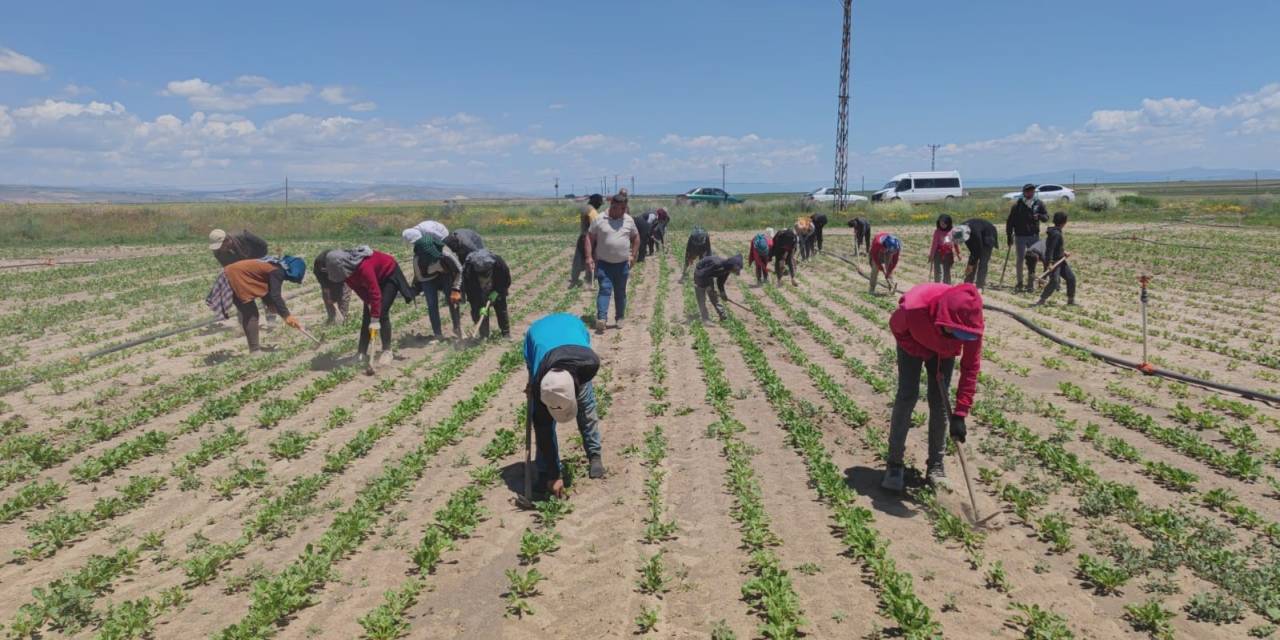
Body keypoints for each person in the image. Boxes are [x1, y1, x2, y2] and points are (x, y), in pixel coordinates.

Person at [881, 282, 984, 492]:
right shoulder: (913, 310)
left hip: (943, 352)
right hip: (913, 341)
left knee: (940, 403)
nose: (960, 339)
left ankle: (936, 466)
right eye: (955, 333)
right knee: (907, 395)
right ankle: (894, 463)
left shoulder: (972, 324)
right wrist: (922, 351)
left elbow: (970, 367)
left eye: (963, 336)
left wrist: (961, 413)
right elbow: (896, 328)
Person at [524, 312, 606, 499]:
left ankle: (595, 456)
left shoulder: (589, 364)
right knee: (542, 423)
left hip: (573, 333)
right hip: (537, 338)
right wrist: (554, 475)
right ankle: (545, 470)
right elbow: (543, 428)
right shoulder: (540, 388)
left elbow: (584, 401)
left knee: (587, 409)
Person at [326, 247, 415, 368]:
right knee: (367, 316)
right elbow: (359, 289)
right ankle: (361, 353)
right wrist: (368, 303)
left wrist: (375, 317)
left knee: (382, 313)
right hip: (375, 279)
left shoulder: (364, 267)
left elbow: (375, 292)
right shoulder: (346, 273)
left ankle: (387, 351)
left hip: (388, 274)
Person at [584, 189, 639, 333]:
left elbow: (636, 237)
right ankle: (601, 319)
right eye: (616, 208)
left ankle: (620, 318)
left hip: (622, 265)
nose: (619, 211)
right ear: (612, 205)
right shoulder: (600, 219)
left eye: (622, 209)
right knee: (605, 290)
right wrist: (589, 257)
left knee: (620, 292)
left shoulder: (628, 220)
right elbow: (589, 238)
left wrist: (633, 255)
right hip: (604, 264)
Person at [223, 258, 302, 352]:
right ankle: (254, 350)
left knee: (250, 312)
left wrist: (270, 304)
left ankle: (254, 349)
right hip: (235, 276)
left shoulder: (274, 266)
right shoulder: (277, 271)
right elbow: (275, 295)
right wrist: (287, 316)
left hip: (235, 274)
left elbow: (263, 286)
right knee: (251, 313)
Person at [207, 229, 272, 322]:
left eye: (221, 246)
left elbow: (263, 246)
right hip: (241, 270)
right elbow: (228, 267)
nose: (220, 249)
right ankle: (244, 323)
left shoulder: (245, 236)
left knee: (266, 292)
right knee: (242, 297)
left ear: (227, 240)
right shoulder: (218, 252)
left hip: (258, 262)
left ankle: (271, 319)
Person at [413, 234, 464, 340]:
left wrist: (456, 289)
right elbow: (421, 277)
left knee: (452, 300)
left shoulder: (446, 253)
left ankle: (458, 328)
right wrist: (434, 271)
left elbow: (459, 271)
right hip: (428, 278)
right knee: (432, 304)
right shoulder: (417, 259)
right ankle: (438, 334)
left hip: (446, 275)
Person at [1006, 184, 1048, 293]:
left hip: (1034, 236)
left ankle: (1030, 283)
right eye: (1028, 191)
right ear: (1024, 192)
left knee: (1033, 259)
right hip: (1020, 236)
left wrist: (1039, 216)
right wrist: (1009, 236)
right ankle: (1019, 282)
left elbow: (1046, 217)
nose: (1030, 193)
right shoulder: (1017, 205)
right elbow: (1010, 222)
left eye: (1032, 191)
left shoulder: (1038, 203)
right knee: (1020, 260)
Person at [461, 248, 511, 338]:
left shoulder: (499, 264)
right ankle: (484, 335)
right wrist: (480, 304)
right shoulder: (469, 269)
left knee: (501, 309)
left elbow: (506, 280)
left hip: (496, 287)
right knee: (479, 312)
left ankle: (506, 333)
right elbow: (471, 290)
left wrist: (497, 292)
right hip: (478, 291)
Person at [1034, 212, 1076, 307]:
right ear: (1064, 222)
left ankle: (1071, 300)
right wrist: (1049, 263)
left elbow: (1056, 247)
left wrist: (1063, 252)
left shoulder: (1055, 232)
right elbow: (1050, 249)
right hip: (1054, 262)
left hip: (1061, 260)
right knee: (1054, 281)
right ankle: (1042, 300)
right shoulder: (1056, 234)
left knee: (1071, 278)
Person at [693, 254, 744, 322]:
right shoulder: (716, 264)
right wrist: (707, 286)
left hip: (708, 274)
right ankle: (705, 318)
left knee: (713, 296)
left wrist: (722, 293)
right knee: (701, 297)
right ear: (731, 266)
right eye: (736, 270)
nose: (737, 273)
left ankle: (722, 314)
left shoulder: (727, 270)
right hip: (700, 272)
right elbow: (702, 274)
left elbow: (720, 282)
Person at [570, 194, 603, 288]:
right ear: (596, 202)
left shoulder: (585, 208)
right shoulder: (592, 211)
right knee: (591, 258)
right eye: (600, 203)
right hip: (589, 238)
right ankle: (589, 281)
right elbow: (596, 226)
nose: (600, 205)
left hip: (582, 236)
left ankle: (574, 279)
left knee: (578, 259)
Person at [955, 218, 998, 289]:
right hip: (979, 232)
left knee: (983, 262)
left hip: (988, 234)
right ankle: (968, 283)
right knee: (972, 259)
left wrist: (971, 265)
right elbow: (972, 250)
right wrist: (959, 253)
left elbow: (978, 249)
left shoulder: (974, 233)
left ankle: (980, 285)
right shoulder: (960, 230)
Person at [313, 250, 350, 325]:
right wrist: (327, 292)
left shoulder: (341, 261)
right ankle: (331, 318)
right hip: (326, 278)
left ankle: (343, 318)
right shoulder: (320, 261)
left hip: (342, 278)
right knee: (327, 298)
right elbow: (319, 275)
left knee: (343, 296)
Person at [928, 214, 963, 284]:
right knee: (938, 271)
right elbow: (934, 244)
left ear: (948, 223)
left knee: (947, 271)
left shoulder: (953, 231)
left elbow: (956, 243)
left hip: (948, 254)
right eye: (941, 223)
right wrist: (931, 255)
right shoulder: (937, 232)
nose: (942, 225)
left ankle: (947, 286)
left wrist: (958, 253)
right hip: (938, 253)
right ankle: (937, 285)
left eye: (944, 223)